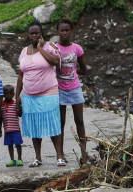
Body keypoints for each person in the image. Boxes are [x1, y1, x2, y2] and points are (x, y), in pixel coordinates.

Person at [17, 21, 66, 167]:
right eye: (31, 33)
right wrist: (17, 95)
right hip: (29, 95)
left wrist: (40, 48)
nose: (34, 35)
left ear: (41, 33)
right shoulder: (24, 51)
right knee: (34, 126)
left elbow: (56, 62)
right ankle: (38, 157)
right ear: (28, 35)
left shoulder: (50, 46)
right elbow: (21, 75)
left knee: (53, 123)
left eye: (37, 33)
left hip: (48, 92)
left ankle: (59, 156)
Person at [56, 18, 88, 156]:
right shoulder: (54, 48)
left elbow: (84, 69)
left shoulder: (76, 48)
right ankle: (61, 153)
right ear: (57, 32)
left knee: (79, 120)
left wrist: (73, 72)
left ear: (71, 31)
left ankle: (84, 152)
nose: (64, 33)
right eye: (62, 30)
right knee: (61, 122)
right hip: (59, 89)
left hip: (74, 88)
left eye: (67, 30)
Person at [0, 85, 23, 166]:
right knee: (10, 145)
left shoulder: (15, 104)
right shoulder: (1, 105)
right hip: (7, 130)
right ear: (3, 94)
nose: (8, 95)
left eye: (10, 93)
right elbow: (1, 118)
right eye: (6, 93)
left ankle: (20, 159)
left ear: (13, 94)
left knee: (18, 144)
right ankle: (12, 160)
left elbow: (20, 115)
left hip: (16, 129)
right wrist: (0, 129)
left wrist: (20, 108)